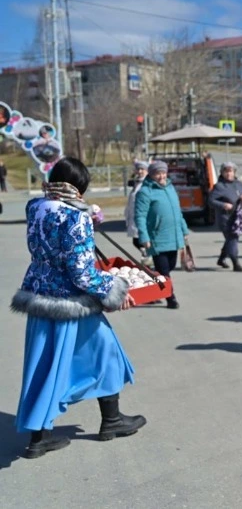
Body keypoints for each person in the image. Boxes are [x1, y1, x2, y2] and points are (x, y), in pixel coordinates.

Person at [10, 158, 145, 459]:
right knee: (106, 352)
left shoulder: (34, 207)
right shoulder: (76, 217)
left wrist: (87, 217)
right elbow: (82, 273)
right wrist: (114, 288)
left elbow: (55, 232)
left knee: (43, 365)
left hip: (38, 295)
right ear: (78, 187)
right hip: (72, 303)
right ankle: (111, 420)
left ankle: (39, 437)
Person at [134, 161, 189, 310]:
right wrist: (144, 237)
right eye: (157, 173)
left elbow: (178, 212)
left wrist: (184, 230)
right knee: (164, 270)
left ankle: (153, 286)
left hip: (173, 236)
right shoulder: (145, 192)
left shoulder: (170, 188)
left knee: (169, 266)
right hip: (156, 237)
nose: (161, 176)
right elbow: (140, 216)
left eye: (163, 173)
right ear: (151, 175)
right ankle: (171, 298)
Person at [209, 161, 242, 272]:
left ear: (234, 172)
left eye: (231, 171)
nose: (229, 174)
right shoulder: (219, 186)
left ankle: (221, 258)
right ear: (222, 173)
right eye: (226, 171)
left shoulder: (239, 184)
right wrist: (223, 205)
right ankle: (235, 262)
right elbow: (210, 201)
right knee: (232, 238)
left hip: (238, 217)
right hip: (225, 218)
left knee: (230, 239)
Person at [124, 161, 149, 252]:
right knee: (137, 241)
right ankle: (147, 257)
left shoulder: (147, 183)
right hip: (135, 217)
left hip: (143, 217)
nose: (140, 171)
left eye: (142, 169)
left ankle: (148, 257)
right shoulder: (138, 182)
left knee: (141, 241)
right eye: (138, 169)